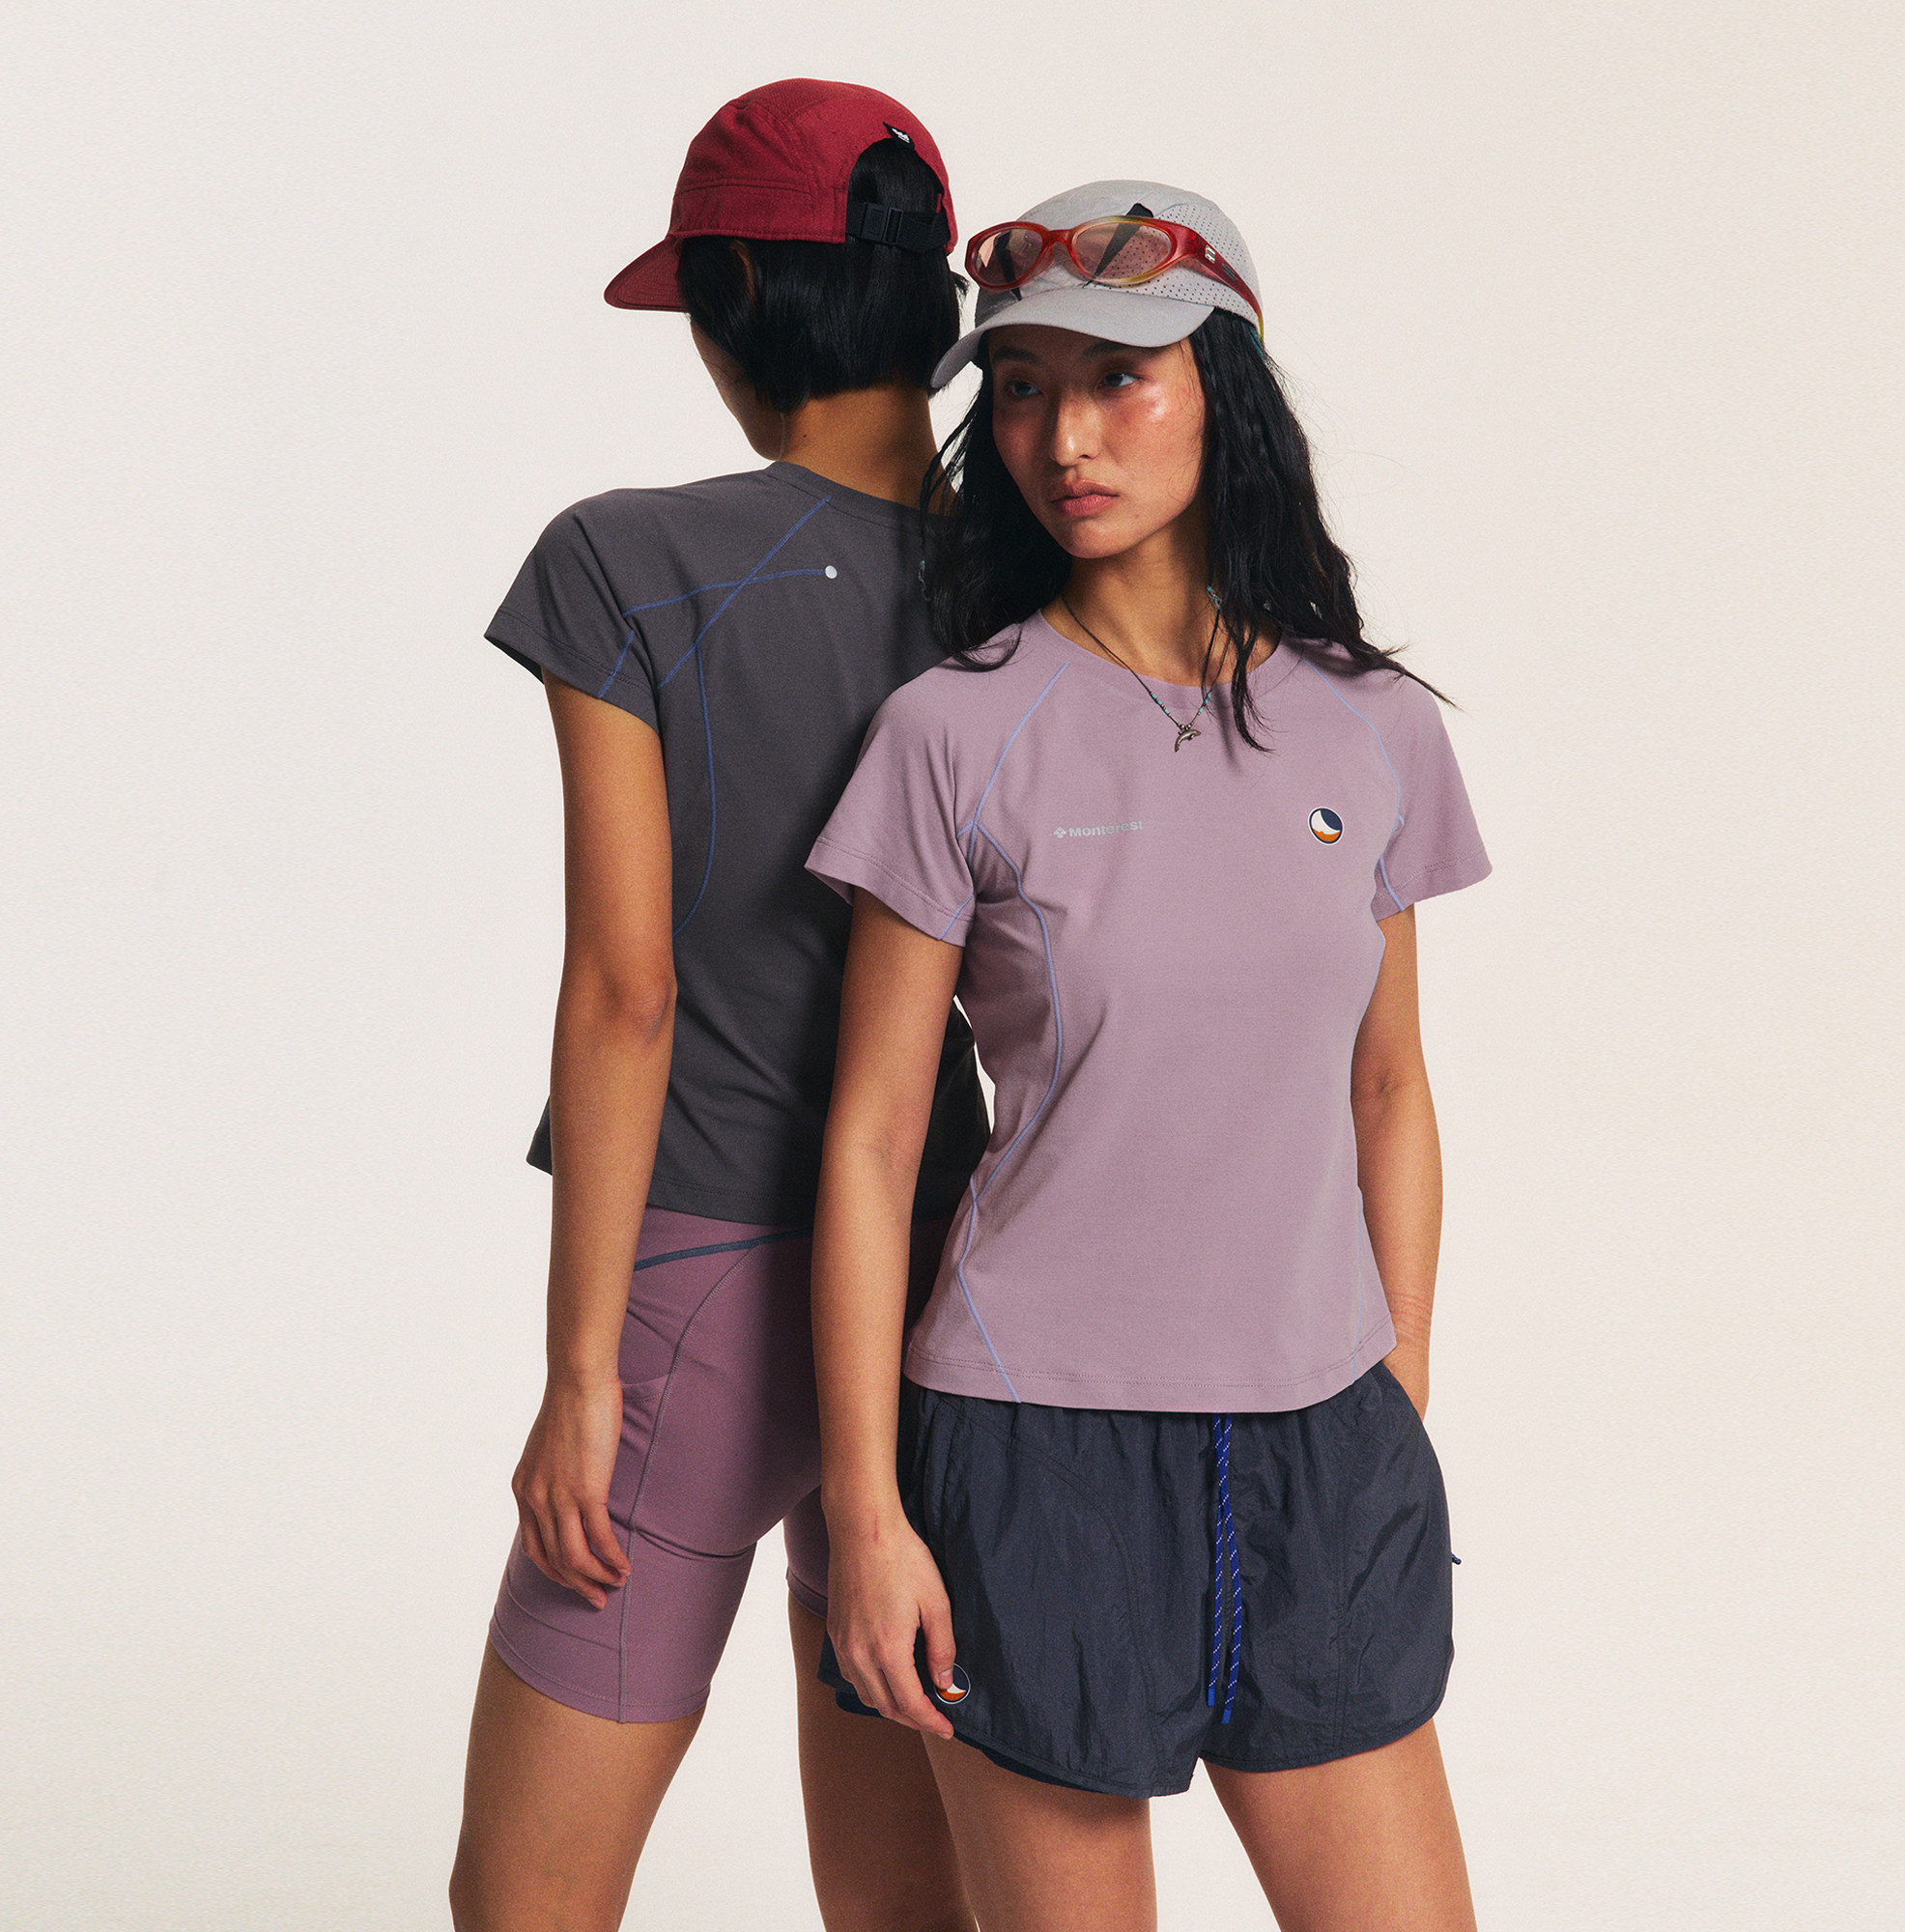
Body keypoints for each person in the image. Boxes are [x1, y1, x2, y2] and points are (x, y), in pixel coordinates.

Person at [808, 180, 1492, 1930]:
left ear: (1223, 389)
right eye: (1022, 388)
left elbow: (1390, 1086)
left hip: (1321, 1442)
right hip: (1031, 1454)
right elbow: (873, 1141)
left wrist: (1398, 1388)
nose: (1063, 437)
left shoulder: (1376, 727)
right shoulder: (955, 730)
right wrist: (870, 1517)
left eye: (1119, 378)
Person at [448, 81, 987, 1932]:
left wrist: (580, 1378)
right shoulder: (1029, 582)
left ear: (738, 296)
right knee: (903, 1906)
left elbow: (628, 991)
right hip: (947, 1281)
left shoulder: (627, 560)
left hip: (700, 1297)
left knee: (526, 1905)